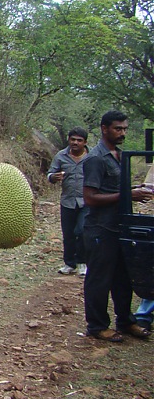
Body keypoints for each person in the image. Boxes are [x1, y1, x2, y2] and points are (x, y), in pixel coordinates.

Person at [82, 110, 152, 342]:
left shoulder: (120, 155)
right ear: (104, 128)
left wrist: (137, 189)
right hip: (101, 229)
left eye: (124, 129)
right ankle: (97, 326)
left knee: (123, 279)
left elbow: (116, 189)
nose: (122, 133)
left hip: (122, 227)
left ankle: (126, 321)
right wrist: (128, 195)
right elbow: (91, 198)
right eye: (117, 129)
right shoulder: (95, 159)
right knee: (99, 280)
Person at [46, 127, 89, 276]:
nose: (75, 143)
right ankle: (69, 264)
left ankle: (83, 262)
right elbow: (50, 173)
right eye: (73, 139)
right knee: (69, 233)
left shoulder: (92, 156)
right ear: (69, 140)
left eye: (79, 140)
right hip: (67, 201)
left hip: (87, 201)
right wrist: (53, 177)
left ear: (85, 142)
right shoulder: (61, 156)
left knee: (82, 231)